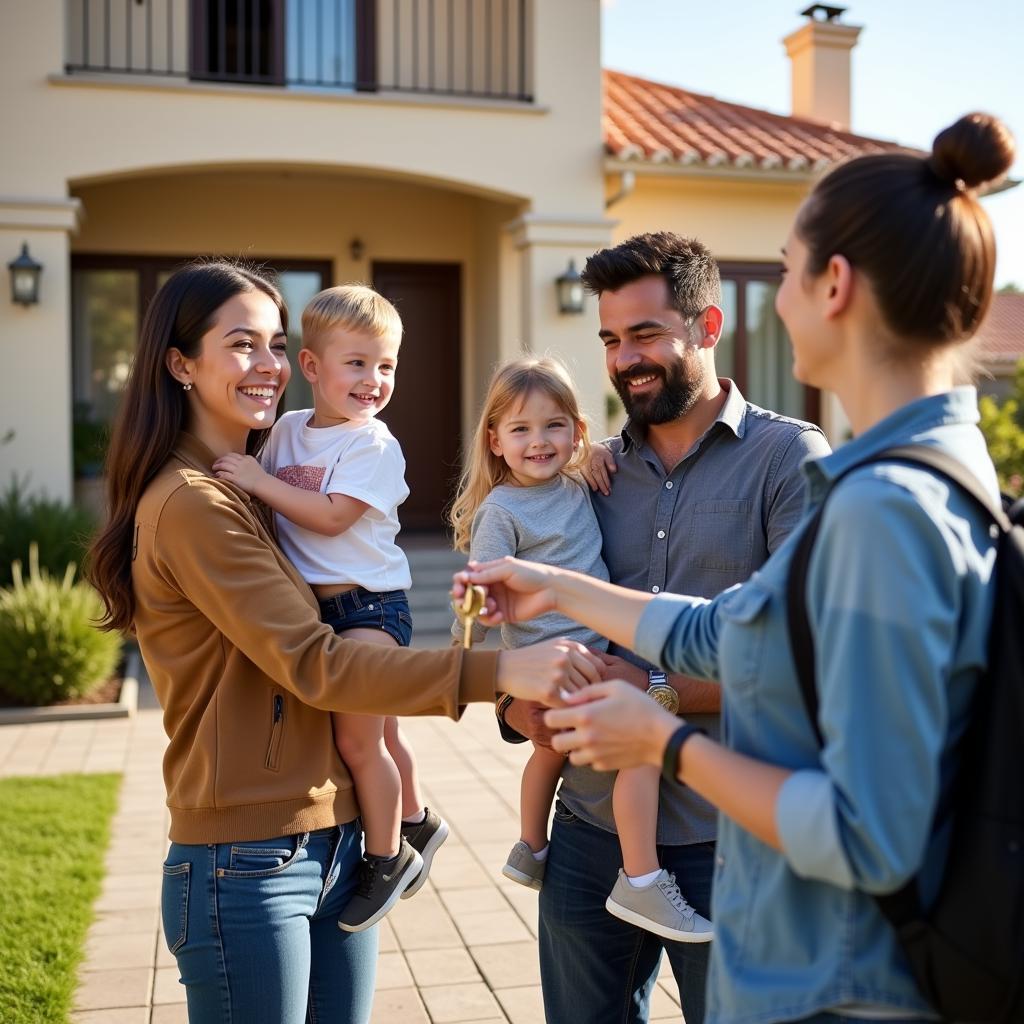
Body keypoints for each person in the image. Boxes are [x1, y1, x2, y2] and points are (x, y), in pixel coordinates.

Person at [460, 113, 1014, 1024]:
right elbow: (733, 632)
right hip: (601, 829)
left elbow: (862, 824)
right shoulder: (901, 474)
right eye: (610, 340)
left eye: (787, 270)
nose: (781, 298)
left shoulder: (874, 501)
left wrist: (663, 734)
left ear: (833, 285)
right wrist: (554, 593)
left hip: (783, 905)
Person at [86, 260, 601, 1024]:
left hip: (337, 837)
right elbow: (316, 663)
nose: (265, 365)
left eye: (273, 343)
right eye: (240, 345)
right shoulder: (195, 502)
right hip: (248, 859)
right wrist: (500, 670)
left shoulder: (258, 477)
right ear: (179, 364)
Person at [495, 232, 829, 1023]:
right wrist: (518, 707)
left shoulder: (789, 459)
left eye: (646, 335)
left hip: (732, 840)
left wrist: (655, 692)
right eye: (611, 339)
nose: (624, 359)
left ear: (708, 327)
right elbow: (522, 625)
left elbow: (810, 658)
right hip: (586, 828)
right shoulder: (587, 474)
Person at [448, 354, 712, 942]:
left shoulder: (578, 480)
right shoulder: (501, 511)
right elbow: (479, 589)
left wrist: (590, 455)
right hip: (560, 662)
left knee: (548, 754)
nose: (538, 442)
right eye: (520, 429)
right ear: (494, 440)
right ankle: (642, 881)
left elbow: (592, 457)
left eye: (553, 426)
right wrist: (470, 650)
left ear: (576, 430)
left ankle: (529, 847)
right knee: (642, 746)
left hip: (583, 654)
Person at [213, 284, 447, 933]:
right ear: (311, 367)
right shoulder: (287, 431)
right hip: (323, 614)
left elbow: (335, 517)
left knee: (358, 741)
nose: (374, 380)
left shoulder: (372, 445)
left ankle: (385, 858)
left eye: (387, 366)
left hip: (371, 611)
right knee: (386, 734)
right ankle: (418, 821)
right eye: (358, 363)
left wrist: (259, 481)